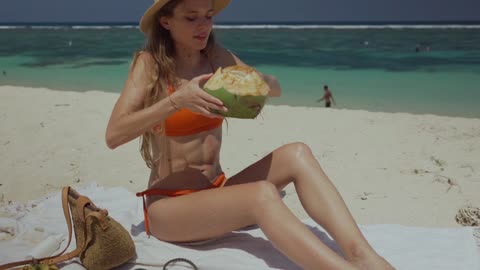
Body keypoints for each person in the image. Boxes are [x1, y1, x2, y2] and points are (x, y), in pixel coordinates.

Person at [105, 0, 395, 269]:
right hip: (169, 208)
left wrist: (246, 83)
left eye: (208, 16)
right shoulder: (149, 64)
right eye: (191, 17)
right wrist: (177, 100)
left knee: (297, 153)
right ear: (166, 21)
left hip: (217, 192)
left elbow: (275, 88)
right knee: (262, 194)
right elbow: (114, 135)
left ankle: (365, 257)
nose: (203, 26)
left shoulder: (215, 57)